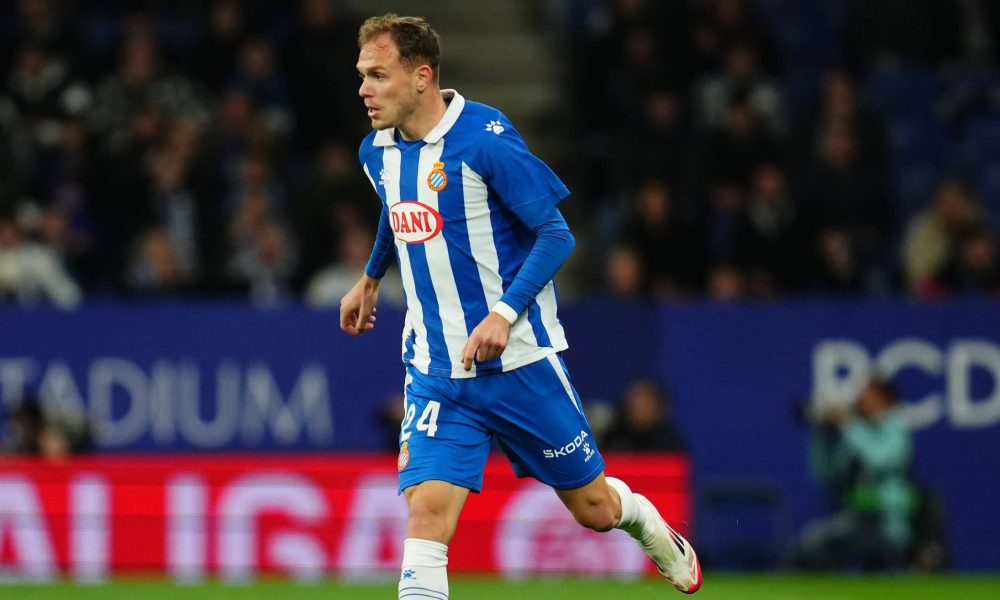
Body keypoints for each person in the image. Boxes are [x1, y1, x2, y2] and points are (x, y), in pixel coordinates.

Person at [339, 14, 702, 598]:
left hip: (520, 364)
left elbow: (556, 234)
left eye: (377, 75)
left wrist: (503, 314)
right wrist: (371, 275)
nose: (363, 89)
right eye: (361, 75)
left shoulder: (485, 140)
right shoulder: (376, 150)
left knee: (594, 509)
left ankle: (647, 523)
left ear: (421, 77)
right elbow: (395, 205)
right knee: (427, 515)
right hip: (437, 369)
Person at [798, 378, 916, 570]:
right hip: (856, 519)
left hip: (889, 522)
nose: (861, 400)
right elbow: (828, 474)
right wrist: (822, 436)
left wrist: (848, 423)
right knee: (812, 543)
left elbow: (879, 459)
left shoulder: (896, 429)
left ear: (884, 398)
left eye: (867, 395)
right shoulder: (859, 430)